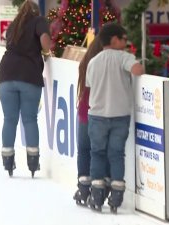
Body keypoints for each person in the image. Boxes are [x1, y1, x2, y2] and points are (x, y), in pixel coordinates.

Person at [85, 23, 144, 213]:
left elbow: (89, 84)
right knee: (116, 154)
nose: (126, 43)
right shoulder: (124, 58)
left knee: (97, 153)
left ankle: (96, 192)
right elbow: (137, 70)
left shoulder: (93, 61)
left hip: (97, 116)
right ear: (114, 40)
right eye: (124, 39)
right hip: (120, 116)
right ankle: (117, 193)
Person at [0, 0, 51, 177]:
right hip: (29, 75)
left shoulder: (13, 25)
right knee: (29, 119)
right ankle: (33, 161)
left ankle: (8, 159)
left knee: (9, 119)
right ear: (36, 12)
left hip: (6, 74)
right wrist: (47, 52)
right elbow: (44, 41)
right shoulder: (39, 21)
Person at [73, 36, 108, 206]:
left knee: (84, 151)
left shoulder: (85, 64)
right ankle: (98, 187)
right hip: (100, 115)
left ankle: (84, 186)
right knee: (99, 152)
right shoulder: (105, 66)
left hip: (84, 113)